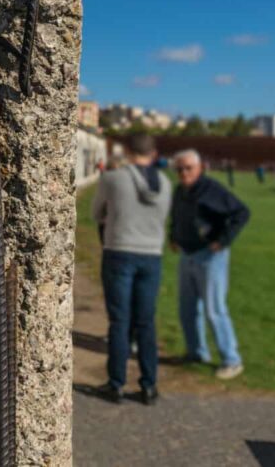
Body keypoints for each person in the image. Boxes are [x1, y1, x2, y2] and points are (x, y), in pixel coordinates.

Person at [91, 134, 172, 405]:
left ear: (126, 150)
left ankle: (116, 384)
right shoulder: (165, 184)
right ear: (154, 153)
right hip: (151, 256)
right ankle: (149, 386)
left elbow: (96, 212)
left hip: (120, 251)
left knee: (120, 321)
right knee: (146, 322)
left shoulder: (113, 179)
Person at [170, 149, 250, 380]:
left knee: (214, 310)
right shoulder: (180, 191)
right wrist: (173, 237)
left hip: (209, 256)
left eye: (188, 168)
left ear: (200, 168)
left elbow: (241, 213)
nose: (184, 173)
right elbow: (177, 216)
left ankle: (232, 360)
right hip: (187, 254)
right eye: (179, 169)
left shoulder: (211, 189)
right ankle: (196, 352)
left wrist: (223, 240)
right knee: (187, 308)